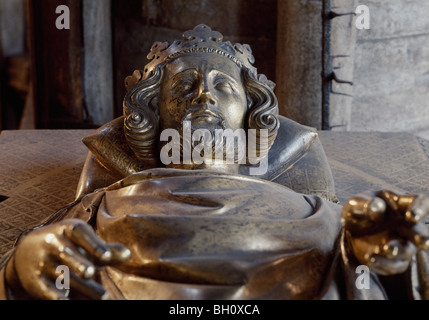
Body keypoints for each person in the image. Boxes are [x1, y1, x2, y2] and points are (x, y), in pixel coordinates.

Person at [1, 25, 429, 300]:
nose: (203, 95)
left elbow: (379, 272)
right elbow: (29, 263)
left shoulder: (329, 224)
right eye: (184, 83)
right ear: (153, 110)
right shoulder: (104, 208)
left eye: (223, 86)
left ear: (250, 111)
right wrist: (22, 266)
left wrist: (383, 263)